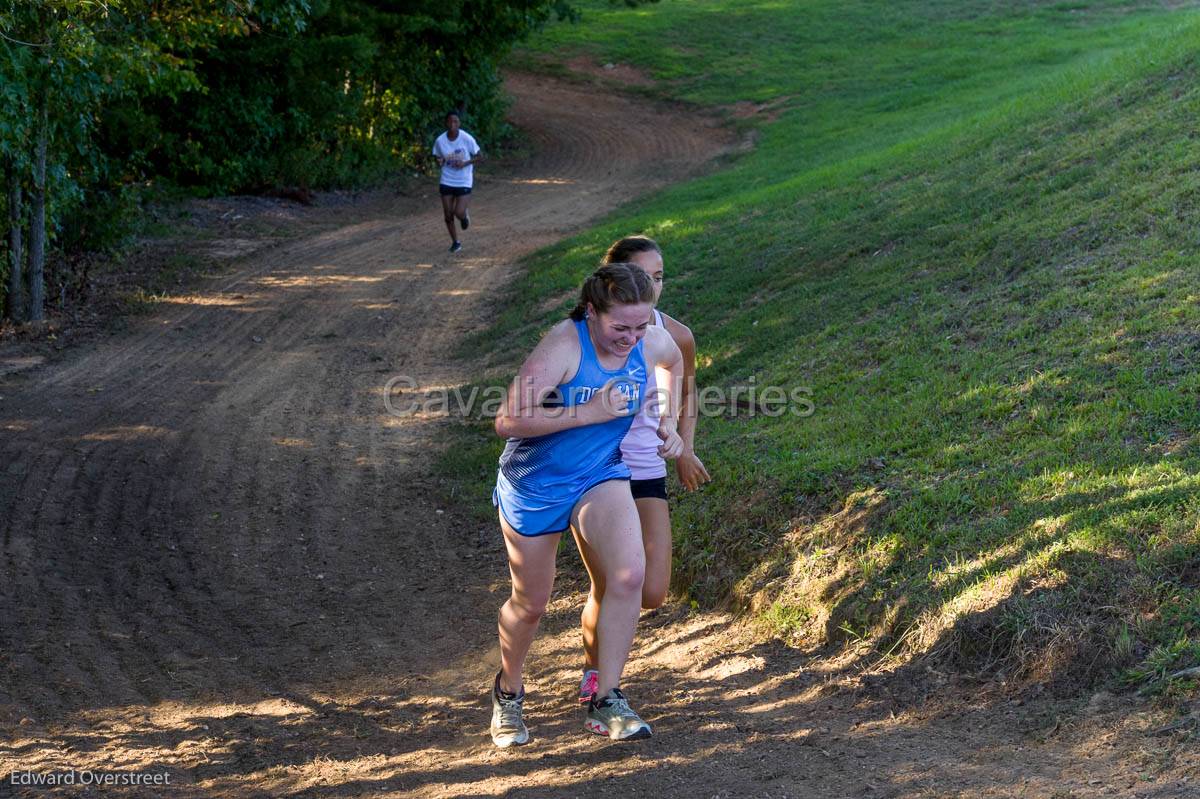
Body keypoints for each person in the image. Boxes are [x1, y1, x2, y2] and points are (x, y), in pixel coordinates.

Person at [490, 263, 684, 747]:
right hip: (535, 483)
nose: (632, 338)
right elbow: (508, 420)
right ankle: (508, 692)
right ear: (593, 312)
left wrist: (668, 420)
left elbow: (673, 360)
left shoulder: (648, 341)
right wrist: (590, 410)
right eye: (621, 327)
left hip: (600, 473)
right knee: (531, 603)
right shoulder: (564, 344)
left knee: (628, 576)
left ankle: (607, 698)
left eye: (641, 326)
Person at [572, 236, 711, 704]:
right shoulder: (590, 332)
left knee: (652, 590)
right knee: (611, 580)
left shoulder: (676, 335)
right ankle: (598, 678)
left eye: (658, 277)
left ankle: (601, 670)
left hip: (647, 465)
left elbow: (686, 394)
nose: (652, 286)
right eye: (641, 277)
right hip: (596, 469)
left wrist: (684, 445)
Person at [432, 110, 480, 253]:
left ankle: (464, 217)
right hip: (447, 179)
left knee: (458, 212)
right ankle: (455, 242)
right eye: (450, 121)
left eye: (456, 121)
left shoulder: (466, 138)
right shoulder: (440, 140)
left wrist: (465, 163)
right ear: (446, 123)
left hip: (464, 180)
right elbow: (437, 157)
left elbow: (480, 156)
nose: (453, 124)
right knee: (448, 214)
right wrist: (438, 161)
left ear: (459, 123)